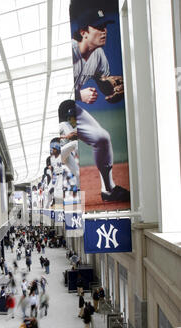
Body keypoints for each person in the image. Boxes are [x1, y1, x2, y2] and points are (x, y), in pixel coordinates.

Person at [71, 7, 130, 204]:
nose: (104, 30)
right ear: (83, 32)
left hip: (72, 109)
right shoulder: (70, 51)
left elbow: (104, 85)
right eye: (98, 27)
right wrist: (79, 94)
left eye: (105, 26)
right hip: (62, 114)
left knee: (103, 138)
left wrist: (113, 89)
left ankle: (108, 189)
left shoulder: (98, 54)